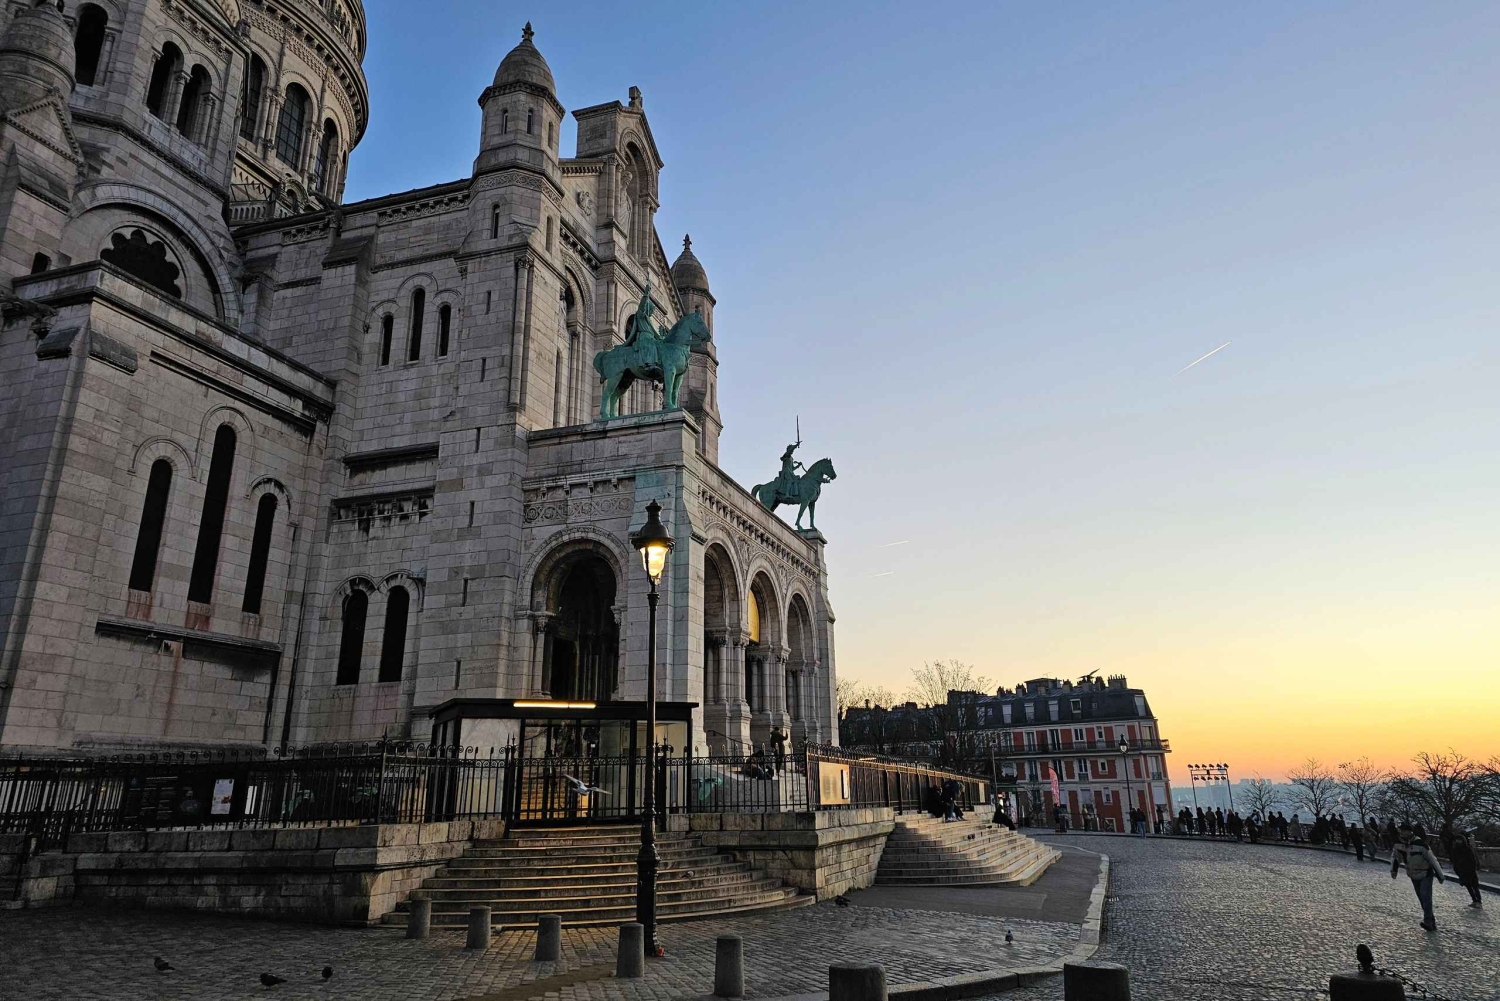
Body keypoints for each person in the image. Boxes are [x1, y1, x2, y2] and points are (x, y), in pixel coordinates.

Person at [1392, 827, 1445, 931]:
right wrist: (1394, 870)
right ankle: (1431, 922)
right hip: (1413, 874)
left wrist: (1440, 875)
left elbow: (1432, 859)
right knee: (1422, 898)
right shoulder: (1399, 844)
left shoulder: (1421, 845)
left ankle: (1428, 921)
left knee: (1426, 897)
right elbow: (1395, 857)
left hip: (1426, 873)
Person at [1451, 833, 1484, 909]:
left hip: (1470, 870)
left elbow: (1473, 860)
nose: (1458, 842)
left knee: (1475, 886)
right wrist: (1457, 870)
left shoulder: (1468, 849)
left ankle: (1479, 901)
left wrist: (1472, 870)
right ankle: (1474, 900)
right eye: (1457, 840)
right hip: (1462, 871)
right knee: (1468, 886)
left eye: (1459, 840)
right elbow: (1455, 861)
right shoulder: (1455, 850)